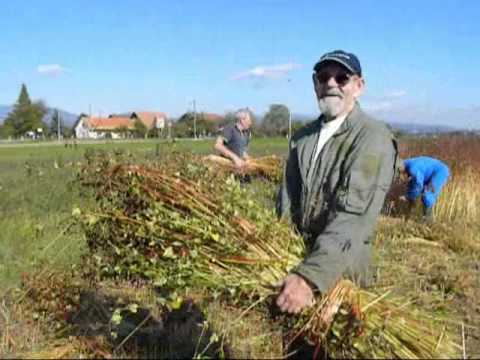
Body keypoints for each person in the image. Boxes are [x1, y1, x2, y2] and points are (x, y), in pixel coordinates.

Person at [276, 50, 398, 315]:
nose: (331, 84)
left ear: (358, 86)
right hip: (297, 259)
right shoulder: (302, 138)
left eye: (341, 77)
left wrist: (310, 277)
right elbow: (286, 200)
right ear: (315, 84)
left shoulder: (373, 139)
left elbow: (353, 219)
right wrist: (278, 244)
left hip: (340, 273)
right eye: (323, 77)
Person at [400, 156, 449, 222]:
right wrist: (410, 195)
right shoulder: (407, 164)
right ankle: (408, 218)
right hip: (429, 173)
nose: (401, 176)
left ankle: (428, 222)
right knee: (412, 189)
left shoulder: (413, 168)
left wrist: (408, 196)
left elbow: (418, 185)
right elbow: (413, 184)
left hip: (440, 172)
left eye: (400, 173)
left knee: (427, 194)